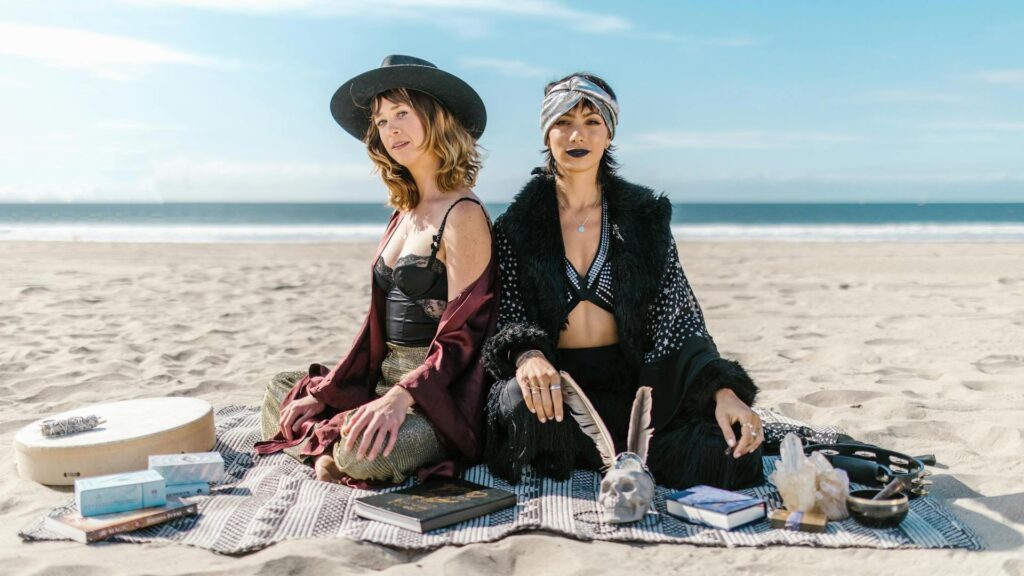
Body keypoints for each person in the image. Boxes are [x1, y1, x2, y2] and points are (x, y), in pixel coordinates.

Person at [481, 73, 764, 489]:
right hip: (556, 388)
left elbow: (679, 315)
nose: (578, 134)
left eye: (592, 122)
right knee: (520, 410)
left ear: (609, 134)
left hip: (633, 389)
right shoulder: (515, 225)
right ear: (546, 132)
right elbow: (507, 312)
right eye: (563, 121)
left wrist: (723, 391)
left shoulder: (645, 217)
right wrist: (527, 356)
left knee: (730, 450)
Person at [255, 55, 497, 486]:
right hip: (380, 378)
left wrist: (402, 397)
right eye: (383, 121)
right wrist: (331, 390)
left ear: (437, 119)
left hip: (436, 396)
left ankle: (329, 454)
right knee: (284, 389)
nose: (392, 130)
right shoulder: (404, 211)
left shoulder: (463, 213)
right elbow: (373, 327)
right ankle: (326, 454)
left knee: (360, 453)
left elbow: (467, 335)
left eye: (402, 114)